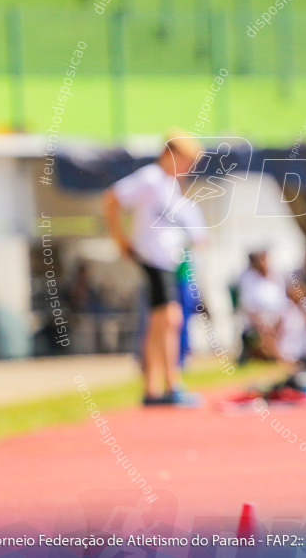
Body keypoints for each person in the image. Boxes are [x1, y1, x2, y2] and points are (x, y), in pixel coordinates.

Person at [102, 133, 207, 407]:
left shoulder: (169, 186)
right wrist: (120, 239)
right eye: (187, 161)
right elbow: (112, 199)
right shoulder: (151, 178)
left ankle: (151, 388)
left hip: (168, 261)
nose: (189, 169)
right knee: (170, 320)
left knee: (159, 324)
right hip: (153, 259)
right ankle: (173, 385)